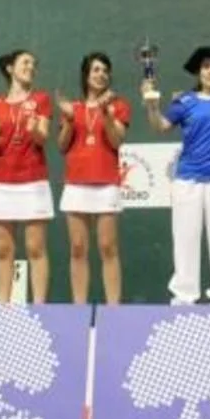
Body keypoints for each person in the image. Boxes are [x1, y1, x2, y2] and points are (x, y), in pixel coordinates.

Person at [142, 46, 210, 305]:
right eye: (206, 66)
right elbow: (161, 126)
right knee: (185, 239)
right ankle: (184, 296)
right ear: (199, 72)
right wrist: (152, 106)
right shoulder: (185, 101)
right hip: (188, 180)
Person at [57, 52, 130, 305]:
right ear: (86, 75)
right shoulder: (74, 108)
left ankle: (113, 308)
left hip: (106, 183)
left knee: (108, 247)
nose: (101, 75)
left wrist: (106, 113)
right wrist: (68, 119)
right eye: (96, 70)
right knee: (78, 248)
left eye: (105, 70)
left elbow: (117, 141)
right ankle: (79, 307)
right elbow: (62, 145)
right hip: (76, 184)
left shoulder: (118, 106)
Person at [0, 49, 53, 303]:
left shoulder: (41, 99)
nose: (31, 67)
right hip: (2, 183)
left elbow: (43, 137)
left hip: (33, 180)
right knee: (3, 249)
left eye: (33, 64)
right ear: (10, 68)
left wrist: (34, 131)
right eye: (25, 62)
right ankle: (3, 306)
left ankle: (40, 307)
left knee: (35, 247)